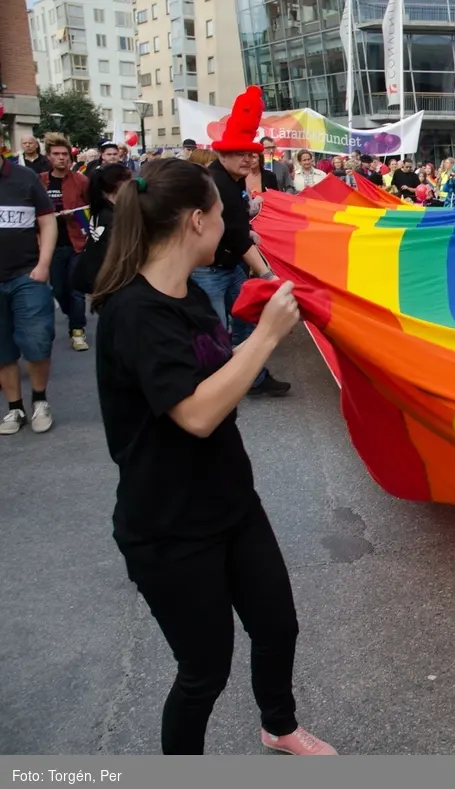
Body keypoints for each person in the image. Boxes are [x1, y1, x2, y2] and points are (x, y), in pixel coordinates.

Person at [90, 158, 336, 755]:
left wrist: (257, 317)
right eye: (224, 214)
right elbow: (196, 413)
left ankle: (279, 726)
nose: (231, 224)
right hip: (169, 528)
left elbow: (218, 376)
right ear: (196, 220)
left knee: (277, 624)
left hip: (230, 502)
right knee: (204, 673)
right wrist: (266, 337)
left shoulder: (192, 298)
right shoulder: (134, 312)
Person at [192, 86, 290, 398]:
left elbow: (233, 228)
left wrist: (247, 227)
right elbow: (233, 233)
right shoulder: (216, 183)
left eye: (251, 154)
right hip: (209, 270)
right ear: (222, 154)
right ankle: (212, 389)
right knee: (214, 329)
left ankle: (254, 377)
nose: (249, 160)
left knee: (247, 317)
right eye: (241, 154)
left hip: (230, 264)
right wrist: (267, 275)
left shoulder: (233, 180)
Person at [0, 151, 57, 435]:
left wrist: (43, 264)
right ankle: (15, 407)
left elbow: (47, 221)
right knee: (2, 350)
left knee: (37, 339)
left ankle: (39, 400)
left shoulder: (25, 178)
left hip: (27, 274)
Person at [39, 133, 91, 352]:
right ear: (48, 157)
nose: (61, 158)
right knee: (59, 290)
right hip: (51, 244)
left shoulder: (81, 180)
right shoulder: (40, 180)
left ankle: (77, 331)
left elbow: (91, 209)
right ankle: (73, 315)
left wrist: (78, 215)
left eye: (64, 154)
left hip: (76, 241)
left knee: (76, 289)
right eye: (56, 154)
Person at [73, 162, 133, 295]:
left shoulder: (101, 208)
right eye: (130, 181)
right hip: (107, 279)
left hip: (97, 276)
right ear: (120, 184)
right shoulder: (113, 217)